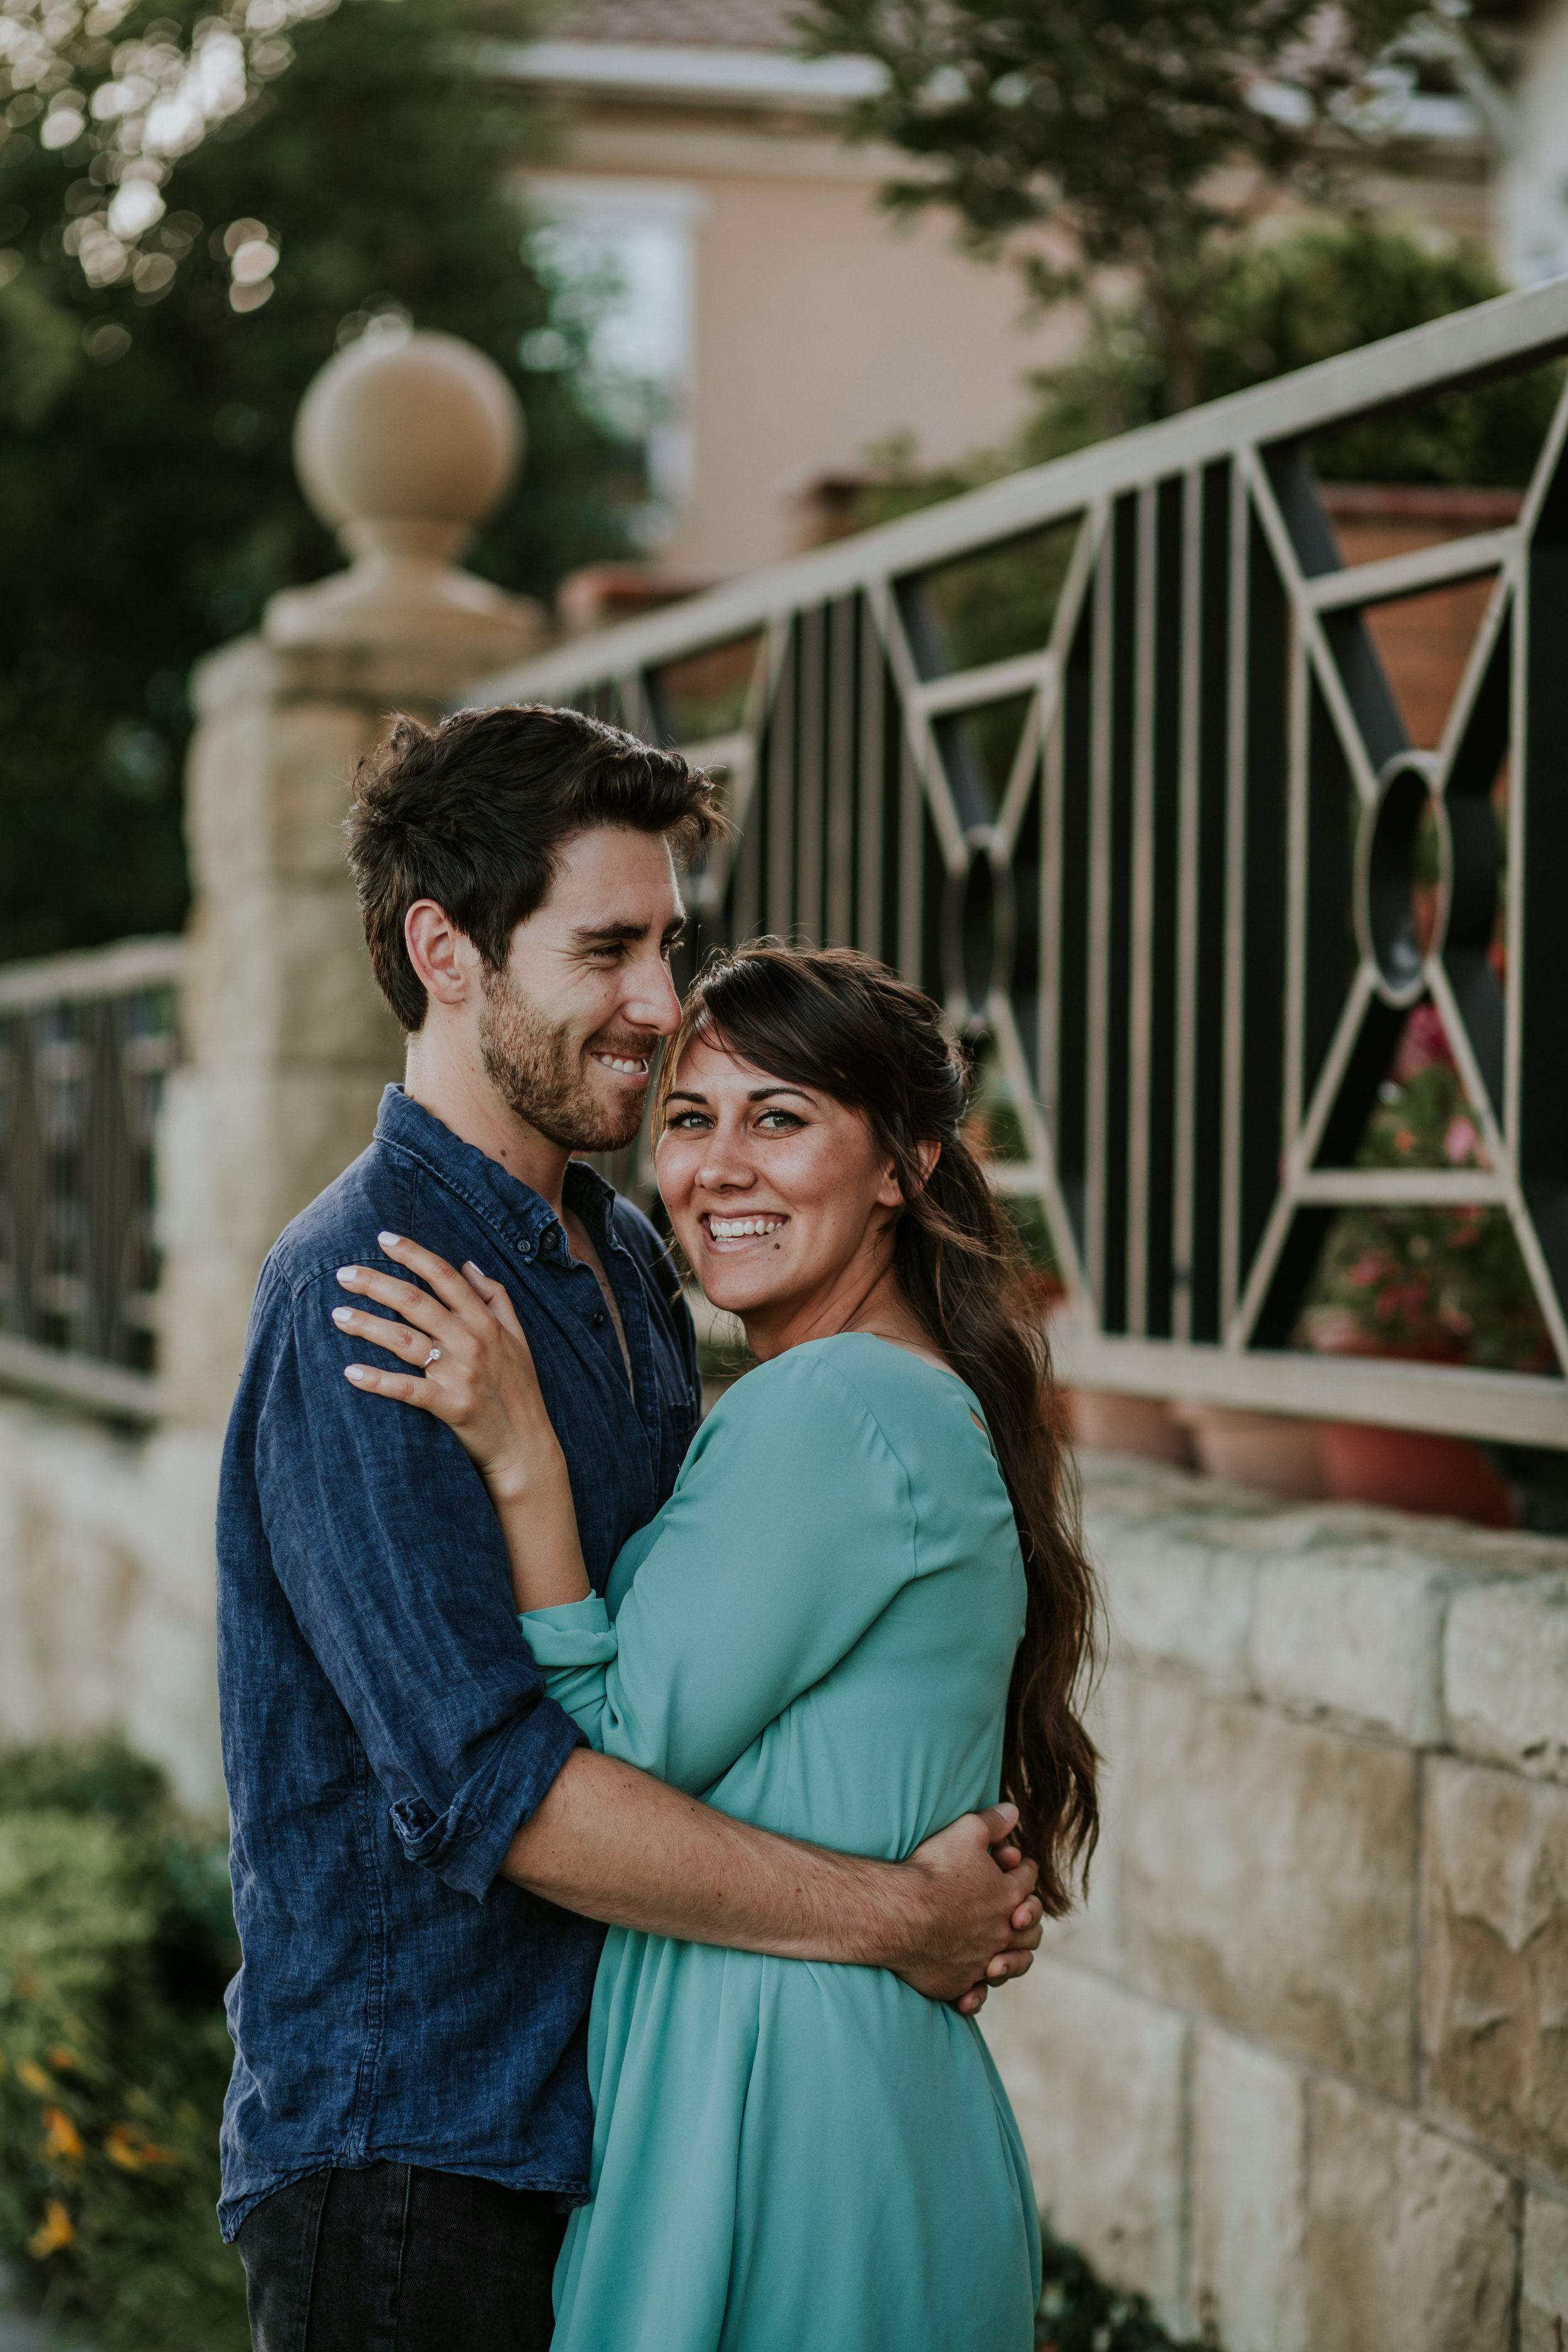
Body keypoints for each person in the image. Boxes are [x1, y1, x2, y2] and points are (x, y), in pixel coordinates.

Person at [216, 705, 1047, 2352]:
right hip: (416, 2149)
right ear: (443, 949)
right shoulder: (367, 1289)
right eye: (607, 948)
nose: (661, 1006)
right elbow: (492, 1789)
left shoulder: (634, 1264)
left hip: (619, 2127)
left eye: (669, 942)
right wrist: (901, 1914)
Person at [334, 940, 1102, 2352]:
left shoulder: (832, 1408)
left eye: (783, 1117)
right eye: (690, 1119)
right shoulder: (888, 1399)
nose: (720, 1167)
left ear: (903, 1164)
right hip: (827, 2088)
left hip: (782, 2118)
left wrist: (524, 1465)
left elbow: (606, 1749)